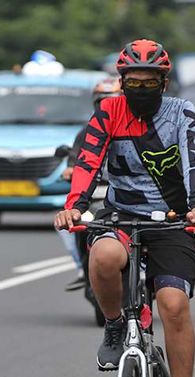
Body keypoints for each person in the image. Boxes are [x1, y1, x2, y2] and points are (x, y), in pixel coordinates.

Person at [54, 39, 195, 377]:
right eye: (133, 82)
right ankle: (113, 326)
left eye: (150, 82)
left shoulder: (181, 113)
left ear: (164, 82)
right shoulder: (108, 112)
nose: (140, 89)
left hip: (173, 221)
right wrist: (74, 206)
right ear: (121, 82)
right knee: (103, 256)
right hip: (121, 215)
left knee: (174, 305)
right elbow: (88, 160)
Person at [59, 77, 122, 292]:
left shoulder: (136, 128)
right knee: (68, 221)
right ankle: (80, 267)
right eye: (101, 101)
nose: (107, 106)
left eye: (111, 100)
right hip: (94, 195)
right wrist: (70, 169)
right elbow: (76, 159)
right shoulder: (87, 132)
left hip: (124, 196)